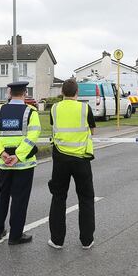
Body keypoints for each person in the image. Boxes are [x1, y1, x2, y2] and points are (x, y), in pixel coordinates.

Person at [0, 81, 41, 245]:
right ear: (25, 93)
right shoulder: (31, 112)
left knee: (3, 195)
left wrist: (3, 154)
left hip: (4, 164)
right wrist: (18, 156)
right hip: (24, 164)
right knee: (19, 198)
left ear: (9, 93)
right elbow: (33, 136)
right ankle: (15, 236)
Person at [48, 78, 96, 250]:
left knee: (59, 197)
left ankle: (57, 240)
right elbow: (92, 130)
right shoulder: (85, 108)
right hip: (82, 159)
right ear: (77, 93)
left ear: (62, 92)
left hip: (60, 158)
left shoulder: (54, 108)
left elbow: (54, 127)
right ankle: (87, 240)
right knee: (86, 199)